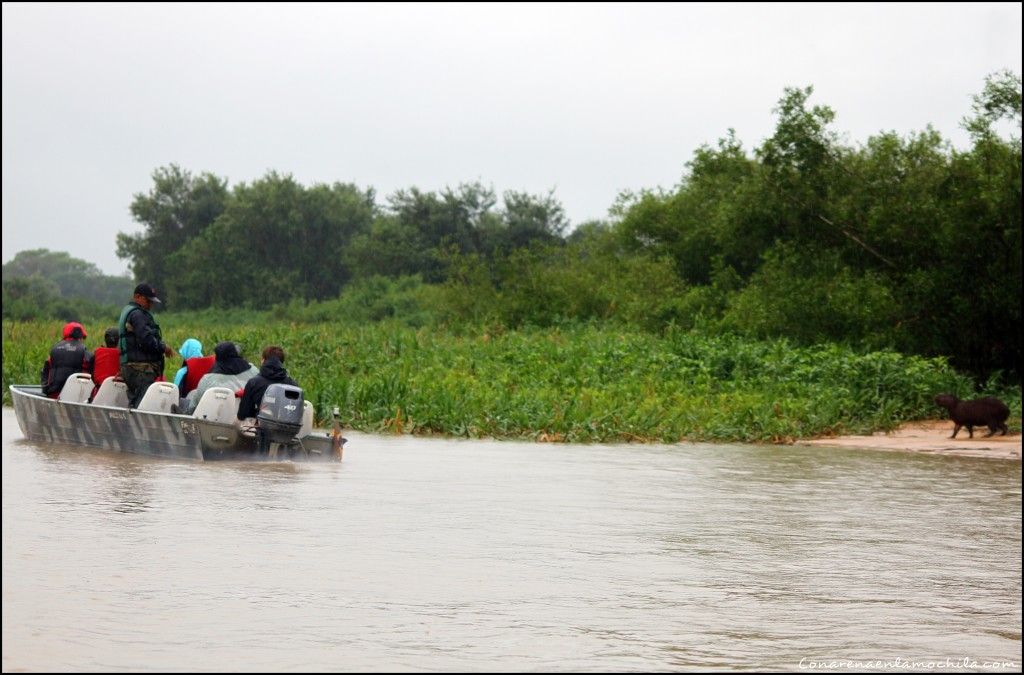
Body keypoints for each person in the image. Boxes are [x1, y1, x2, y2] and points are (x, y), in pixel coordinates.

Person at [118, 282, 174, 407]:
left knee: (136, 403)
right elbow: (146, 340)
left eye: (152, 302)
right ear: (137, 296)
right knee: (143, 405)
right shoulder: (137, 314)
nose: (150, 305)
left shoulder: (129, 312)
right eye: (148, 301)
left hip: (131, 368)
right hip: (140, 370)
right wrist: (163, 347)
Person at [178, 341, 259, 415]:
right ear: (236, 353)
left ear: (217, 358)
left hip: (217, 419)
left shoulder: (207, 379)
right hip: (247, 415)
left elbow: (192, 408)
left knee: (189, 397)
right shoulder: (253, 370)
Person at [236, 345, 299, 423]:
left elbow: (242, 415)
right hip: (288, 430)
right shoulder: (293, 385)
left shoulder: (253, 383)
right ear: (281, 363)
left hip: (261, 429)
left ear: (263, 360)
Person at [40, 322, 94, 399]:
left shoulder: (54, 350)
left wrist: (46, 390)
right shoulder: (85, 352)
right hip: (75, 397)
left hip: (54, 395)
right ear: (80, 337)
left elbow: (45, 372)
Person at [90, 326, 122, 399]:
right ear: (118, 340)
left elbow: (92, 376)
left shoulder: (97, 353)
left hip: (99, 393)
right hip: (118, 394)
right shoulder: (122, 355)